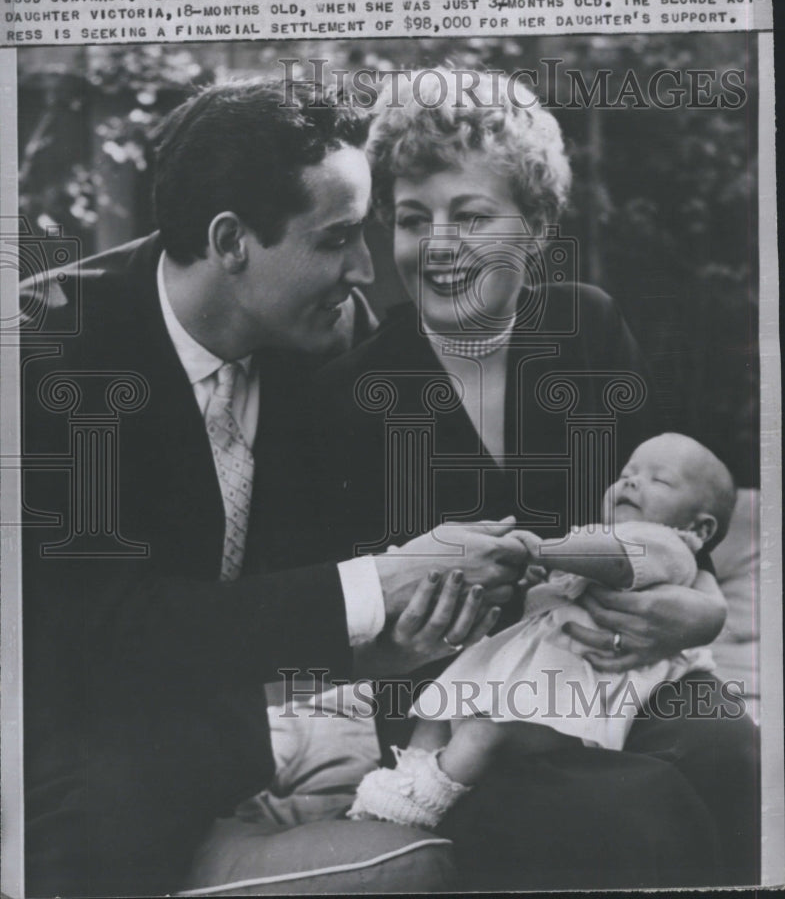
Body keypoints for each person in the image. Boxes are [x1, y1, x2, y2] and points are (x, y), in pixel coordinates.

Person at [19, 79, 525, 897]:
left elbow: (355, 551)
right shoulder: (41, 359)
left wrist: (401, 626)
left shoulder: (325, 335)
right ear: (230, 240)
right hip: (53, 761)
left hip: (212, 757)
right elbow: (96, 632)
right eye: (335, 240)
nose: (365, 269)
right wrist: (367, 592)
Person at [304, 67, 760, 886]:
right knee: (630, 809)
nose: (438, 245)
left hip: (617, 666)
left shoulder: (587, 328)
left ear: (537, 227)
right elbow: (329, 608)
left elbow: (669, 518)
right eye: (413, 220)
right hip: (459, 719)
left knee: (733, 754)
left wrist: (702, 608)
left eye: (471, 215)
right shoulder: (349, 396)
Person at [348, 434, 737, 828]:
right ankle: (403, 782)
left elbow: (617, 561)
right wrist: (541, 578)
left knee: (484, 732)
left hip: (578, 686)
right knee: (440, 707)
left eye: (660, 480)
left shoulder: (665, 543)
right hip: (540, 665)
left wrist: (543, 551)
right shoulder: (608, 535)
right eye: (626, 474)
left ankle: (420, 805)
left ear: (700, 529)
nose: (631, 482)